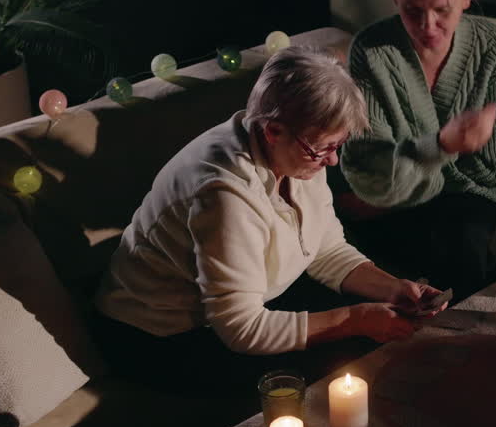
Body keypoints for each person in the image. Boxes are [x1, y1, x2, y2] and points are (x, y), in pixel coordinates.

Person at [94, 46, 445, 389]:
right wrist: (356, 320)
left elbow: (325, 249)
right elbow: (241, 327)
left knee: (380, 326)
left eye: (338, 146)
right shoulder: (224, 192)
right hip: (160, 336)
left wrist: (394, 287)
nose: (332, 161)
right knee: (342, 364)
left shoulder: (300, 151)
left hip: (246, 302)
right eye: (323, 148)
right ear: (273, 130)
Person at [338, 0, 496, 298]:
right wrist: (443, 146)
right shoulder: (372, 51)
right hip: (404, 209)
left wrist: (413, 169)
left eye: (443, 11)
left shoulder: (489, 44)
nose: (428, 27)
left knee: (465, 248)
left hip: (447, 207)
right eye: (412, 10)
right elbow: (369, 176)